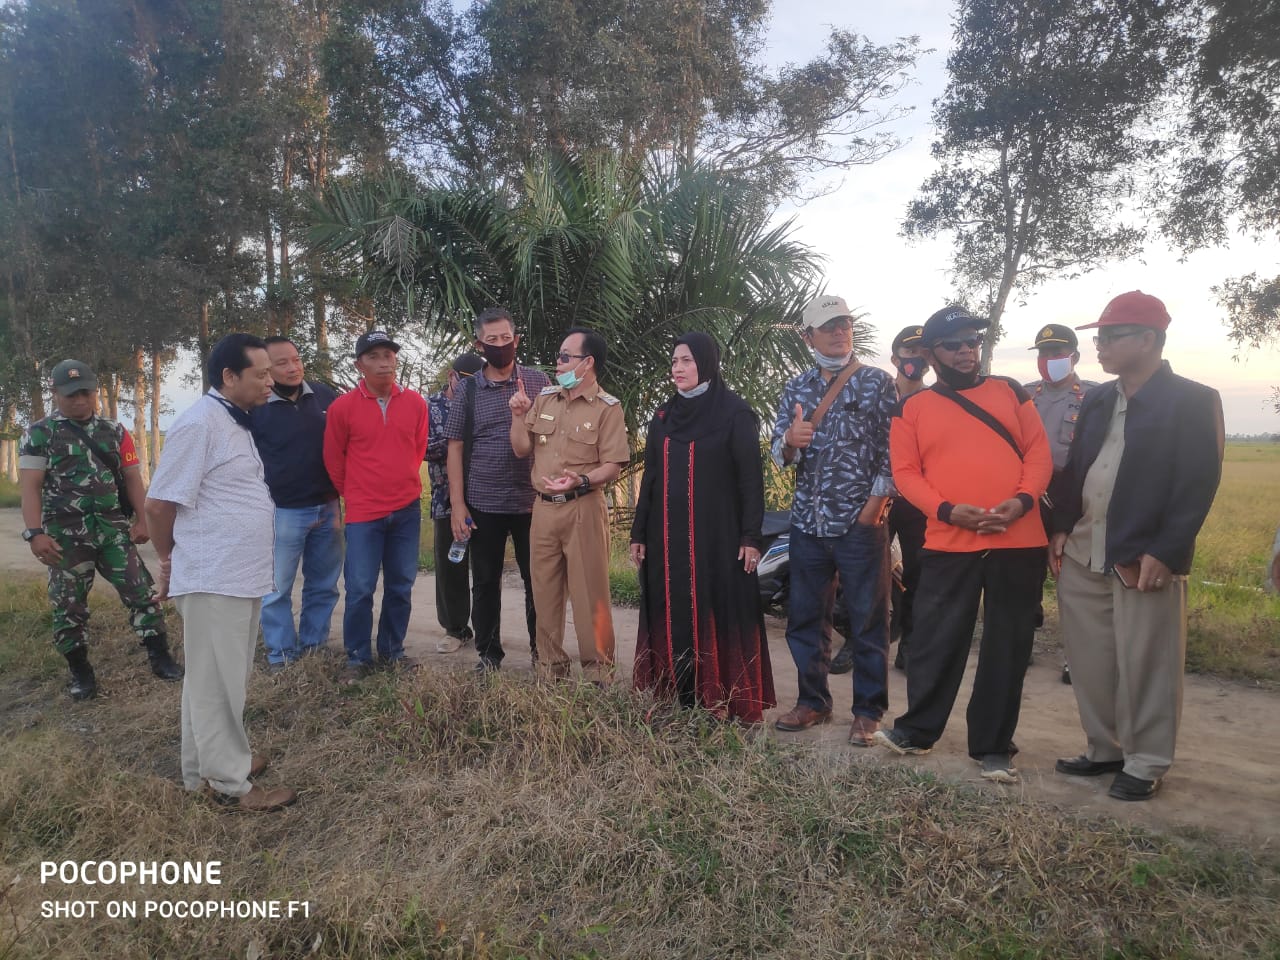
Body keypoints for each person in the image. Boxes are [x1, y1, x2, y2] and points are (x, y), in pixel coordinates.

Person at [1049, 291, 1224, 802]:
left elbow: (1198, 482)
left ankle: (1146, 762)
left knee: (1148, 662)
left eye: (1110, 336)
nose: (1099, 346)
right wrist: (1059, 524)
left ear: (1148, 339)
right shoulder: (1100, 398)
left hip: (1141, 556)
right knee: (1090, 659)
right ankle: (1105, 749)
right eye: (1098, 336)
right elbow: (1076, 467)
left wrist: (1168, 550)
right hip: (1084, 548)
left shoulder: (1193, 399)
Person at [875, 305, 1053, 784]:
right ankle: (917, 730)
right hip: (950, 539)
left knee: (1007, 644)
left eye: (972, 341)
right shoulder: (911, 408)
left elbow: (1038, 453)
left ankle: (994, 745)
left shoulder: (1011, 392)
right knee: (936, 639)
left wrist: (1021, 500)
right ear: (932, 353)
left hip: (1018, 538)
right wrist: (949, 510)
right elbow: (906, 474)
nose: (966, 350)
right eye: (954, 343)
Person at [145, 333, 296, 812]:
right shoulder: (199, 424)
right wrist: (170, 561)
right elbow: (157, 504)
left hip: (237, 575)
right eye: (260, 374)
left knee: (209, 680)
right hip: (213, 577)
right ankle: (232, 785)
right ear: (229, 377)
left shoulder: (237, 422)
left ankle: (203, 770)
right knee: (219, 684)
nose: (269, 382)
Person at [770, 294, 896, 746]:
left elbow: (894, 449)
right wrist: (790, 440)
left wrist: (875, 507)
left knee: (866, 619)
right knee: (805, 617)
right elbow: (778, 453)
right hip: (807, 521)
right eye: (829, 326)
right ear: (809, 336)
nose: (840, 331)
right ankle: (813, 702)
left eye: (845, 323)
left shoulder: (877, 383)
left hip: (859, 523)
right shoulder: (796, 387)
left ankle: (868, 711)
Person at [630, 332, 776, 721]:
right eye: (674, 361)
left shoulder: (735, 414)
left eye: (687, 361)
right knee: (671, 611)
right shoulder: (662, 418)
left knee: (717, 611)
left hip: (719, 540)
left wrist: (751, 537)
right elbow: (651, 481)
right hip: (666, 541)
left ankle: (723, 701)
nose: (677, 368)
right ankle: (676, 696)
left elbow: (750, 480)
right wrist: (638, 533)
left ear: (707, 363)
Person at [19, 359, 182, 700]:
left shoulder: (116, 432)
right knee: (69, 608)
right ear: (55, 394)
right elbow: (30, 488)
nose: (79, 401)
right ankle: (81, 673)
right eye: (70, 395)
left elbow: (133, 478)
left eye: (85, 393)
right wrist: (35, 533)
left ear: (95, 391)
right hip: (65, 538)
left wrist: (142, 519)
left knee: (143, 594)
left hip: (112, 532)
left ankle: (159, 657)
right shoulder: (39, 434)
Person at [509, 327, 629, 681]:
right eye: (559, 356)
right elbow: (521, 449)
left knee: (589, 591)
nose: (558, 362)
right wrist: (517, 415)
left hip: (583, 507)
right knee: (544, 591)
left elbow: (613, 463)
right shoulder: (545, 399)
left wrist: (584, 479)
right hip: (544, 509)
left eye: (565, 356)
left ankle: (598, 673)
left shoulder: (608, 408)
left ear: (587, 362)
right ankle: (550, 669)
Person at [445, 307, 551, 672]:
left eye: (506, 338)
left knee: (537, 581)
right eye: (492, 340)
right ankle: (489, 655)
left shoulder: (538, 382)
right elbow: (455, 445)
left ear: (517, 340)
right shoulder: (469, 389)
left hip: (532, 503)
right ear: (479, 344)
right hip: (483, 502)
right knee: (486, 581)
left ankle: (543, 654)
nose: (501, 345)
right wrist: (457, 505)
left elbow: (554, 437)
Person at [323, 330, 430, 681]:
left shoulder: (415, 403)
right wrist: (357, 493)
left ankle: (392, 650)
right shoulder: (342, 408)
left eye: (389, 355)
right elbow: (333, 460)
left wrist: (399, 482)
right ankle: (357, 657)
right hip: (364, 515)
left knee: (400, 584)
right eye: (374, 356)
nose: (384, 362)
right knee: (360, 588)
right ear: (359, 365)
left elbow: (417, 450)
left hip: (406, 510)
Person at [249, 336, 342, 671]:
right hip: (282, 511)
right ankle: (282, 655)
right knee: (276, 589)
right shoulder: (256, 407)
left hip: (328, 506)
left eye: (296, 359)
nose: (292, 368)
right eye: (282, 363)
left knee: (324, 585)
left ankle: (314, 647)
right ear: (267, 370)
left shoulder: (325, 396)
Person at [1024, 323, 1098, 683]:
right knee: (1025, 576)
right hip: (1031, 496)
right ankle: (1022, 644)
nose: (1049, 360)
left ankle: (1076, 655)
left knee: (1072, 578)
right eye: (1043, 353)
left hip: (1074, 497)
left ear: (1075, 357)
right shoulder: (1024, 396)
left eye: (1057, 353)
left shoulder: (1097, 398)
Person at [426, 352, 486, 653]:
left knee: (486, 566)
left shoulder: (485, 401)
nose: (471, 387)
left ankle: (489, 629)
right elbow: (424, 446)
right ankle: (456, 628)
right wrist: (457, 439)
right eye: (466, 382)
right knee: (451, 565)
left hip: (485, 497)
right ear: (452, 376)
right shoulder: (430, 407)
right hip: (446, 499)